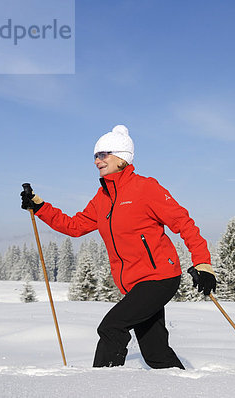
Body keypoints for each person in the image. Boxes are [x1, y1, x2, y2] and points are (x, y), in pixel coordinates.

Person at [20, 124, 216, 369]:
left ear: (122, 158)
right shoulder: (102, 198)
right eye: (95, 156)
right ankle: (184, 387)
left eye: (103, 155)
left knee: (112, 327)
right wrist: (40, 207)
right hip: (135, 284)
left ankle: (103, 388)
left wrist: (203, 262)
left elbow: (183, 223)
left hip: (159, 277)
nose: (97, 161)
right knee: (155, 353)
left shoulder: (146, 188)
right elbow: (74, 226)